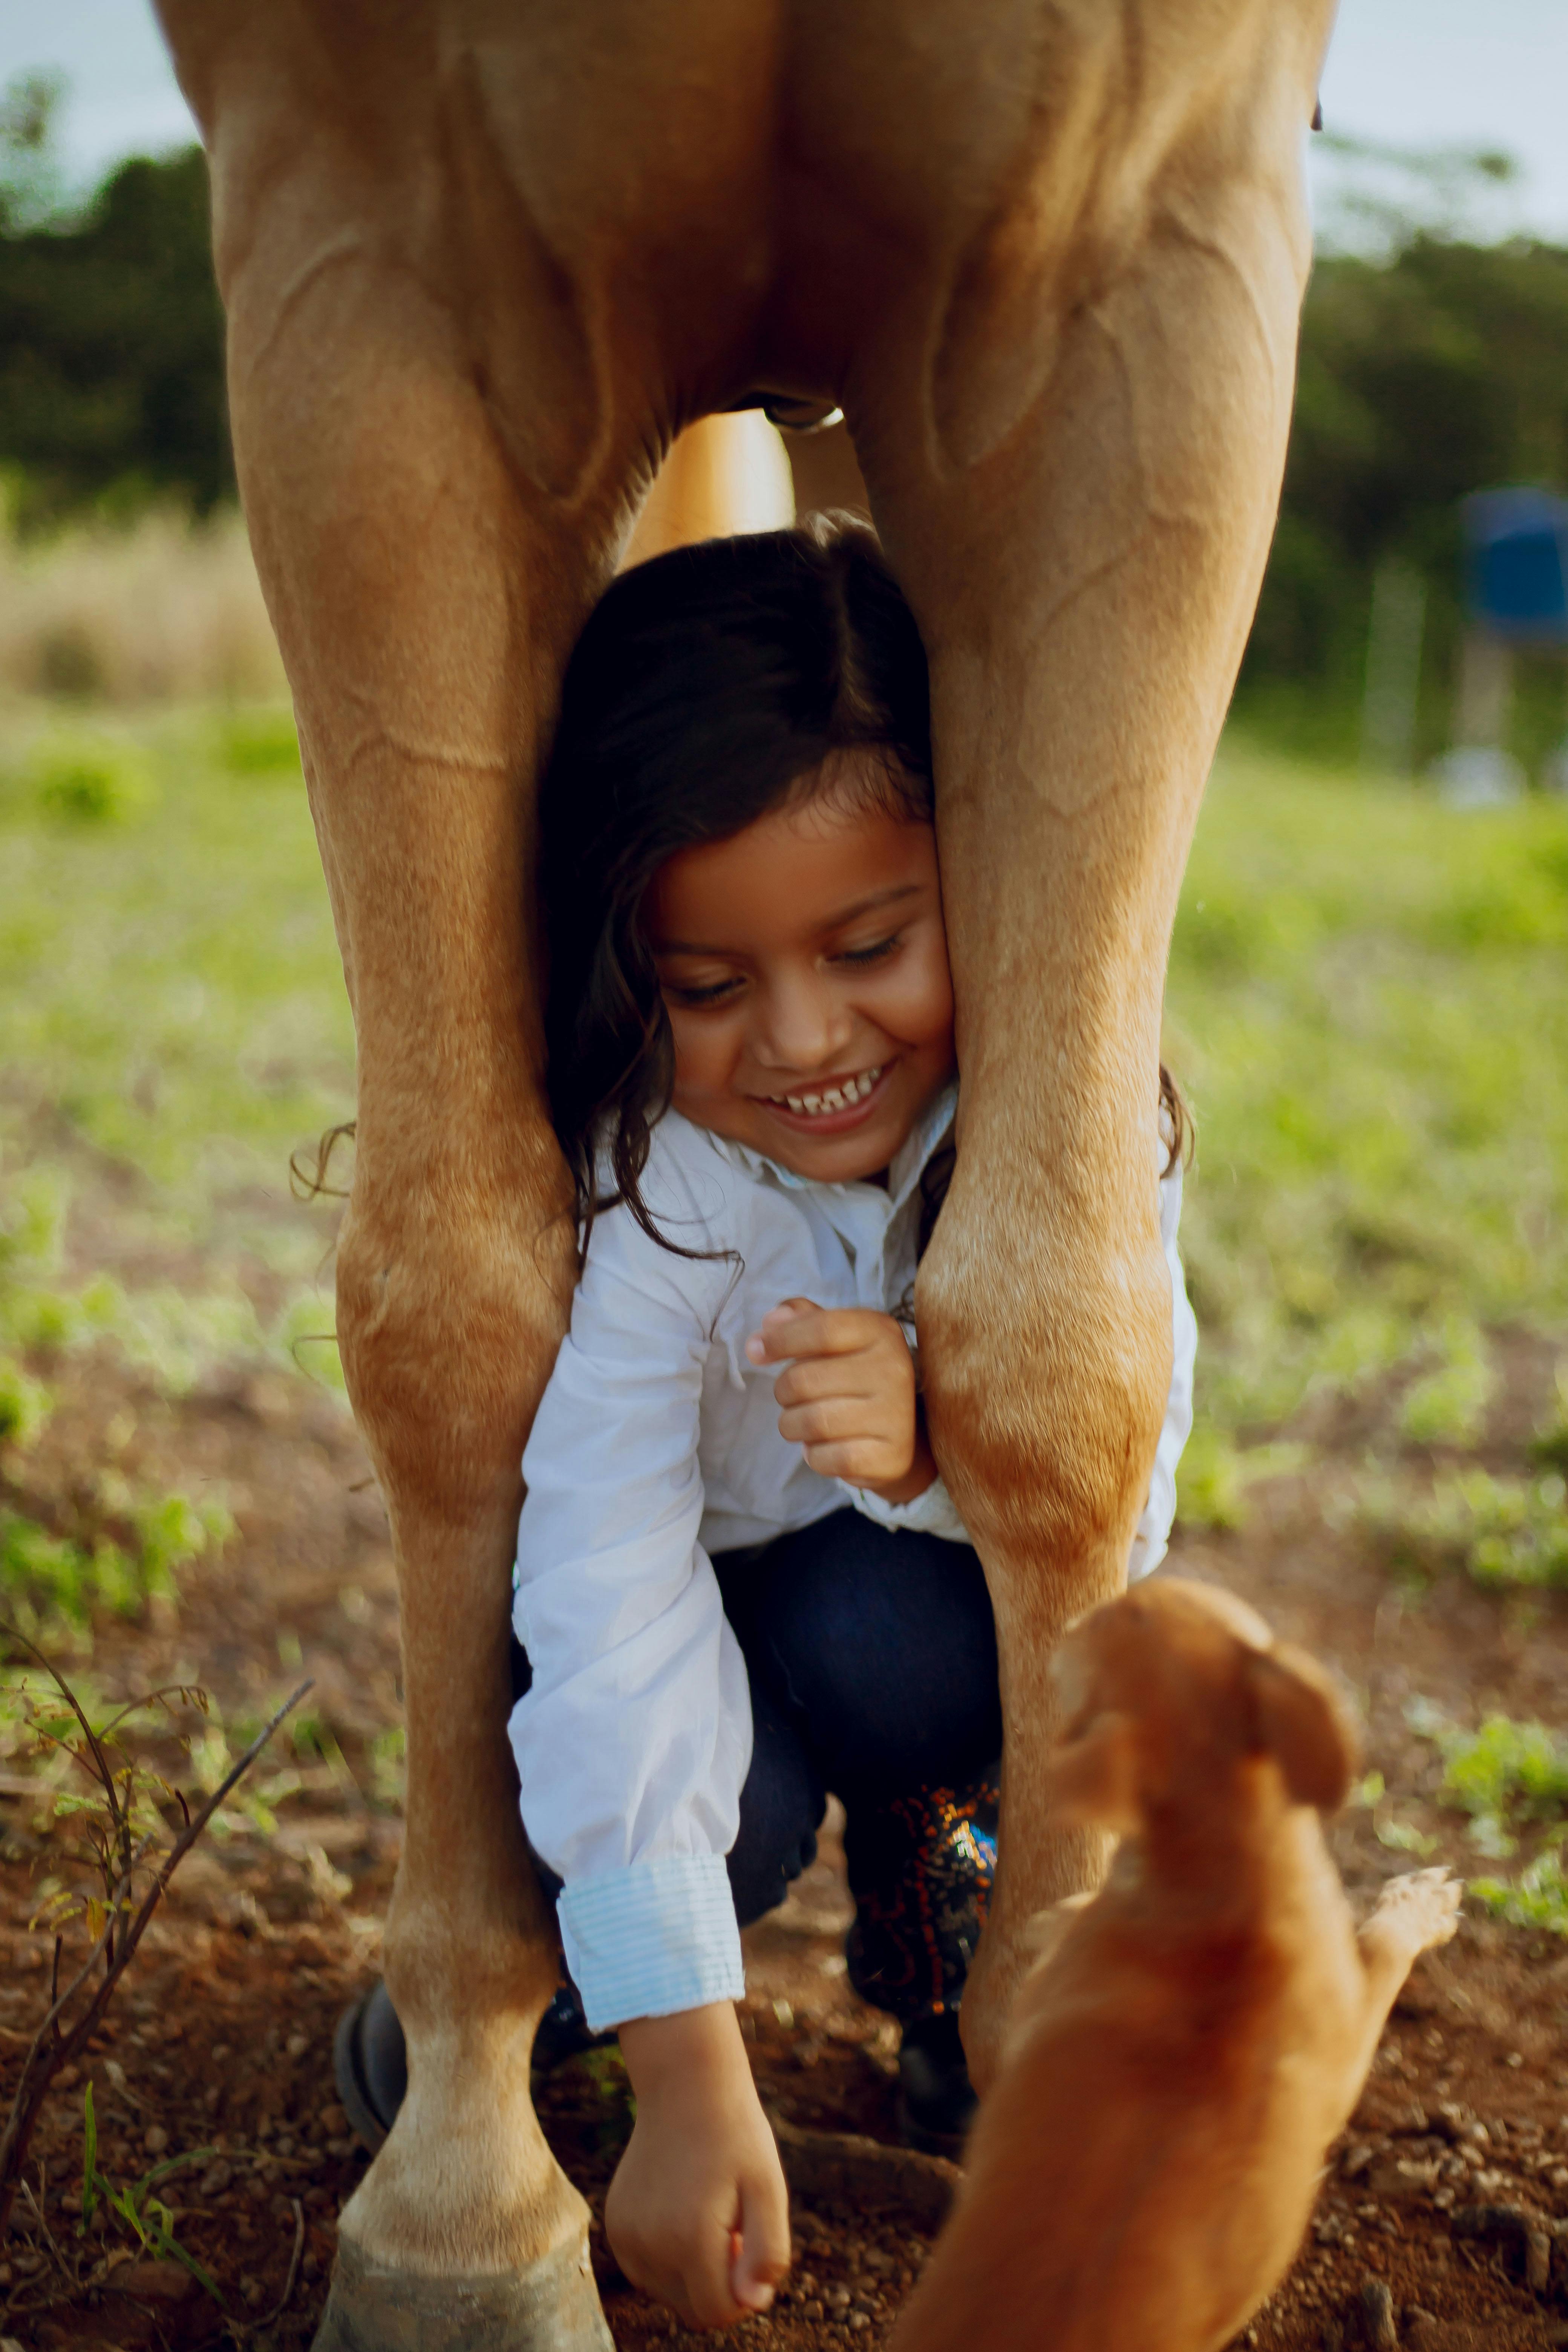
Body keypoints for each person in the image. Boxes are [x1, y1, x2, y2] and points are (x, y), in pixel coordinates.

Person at [333, 518, 1196, 2333]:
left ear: (982, 881)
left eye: (872, 943)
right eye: (708, 987)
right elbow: (605, 1571)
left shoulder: (1058, 1126)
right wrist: (688, 2069)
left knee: (911, 1632)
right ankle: (536, 1992)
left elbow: (1129, 1508)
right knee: (715, 1807)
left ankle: (952, 1917)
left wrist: (946, 1450)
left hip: (886, 1650)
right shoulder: (656, 1191)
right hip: (676, 1668)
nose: (801, 1039)